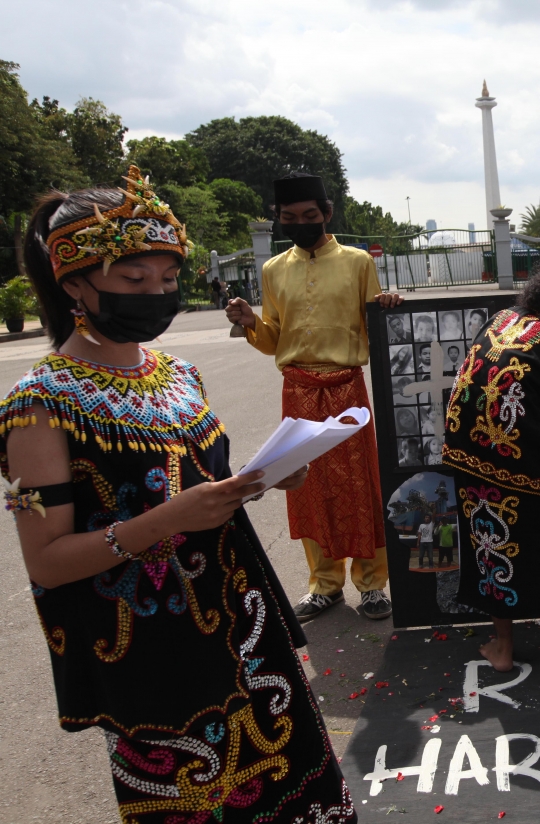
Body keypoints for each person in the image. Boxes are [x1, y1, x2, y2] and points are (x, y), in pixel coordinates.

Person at [0, 167, 357, 822]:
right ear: (72, 281)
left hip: (243, 630)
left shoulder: (179, 374)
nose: (156, 295)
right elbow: (47, 561)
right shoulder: (40, 405)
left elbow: (197, 486)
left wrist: (260, 480)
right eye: (135, 281)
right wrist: (165, 521)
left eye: (167, 280)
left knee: (297, 792)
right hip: (150, 656)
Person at [226, 171, 403, 623]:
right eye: (290, 217)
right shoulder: (273, 269)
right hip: (299, 389)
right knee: (307, 486)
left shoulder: (358, 262)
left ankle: (372, 585)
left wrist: (388, 305)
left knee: (359, 486)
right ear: (279, 219)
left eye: (310, 215)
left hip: (346, 387)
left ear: (326, 214)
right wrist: (250, 321)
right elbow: (272, 340)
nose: (301, 223)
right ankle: (324, 584)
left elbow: (372, 323)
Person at [443, 278, 540, 672]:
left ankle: (503, 647)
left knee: (493, 546)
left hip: (470, 453)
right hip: (521, 457)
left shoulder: (503, 318)